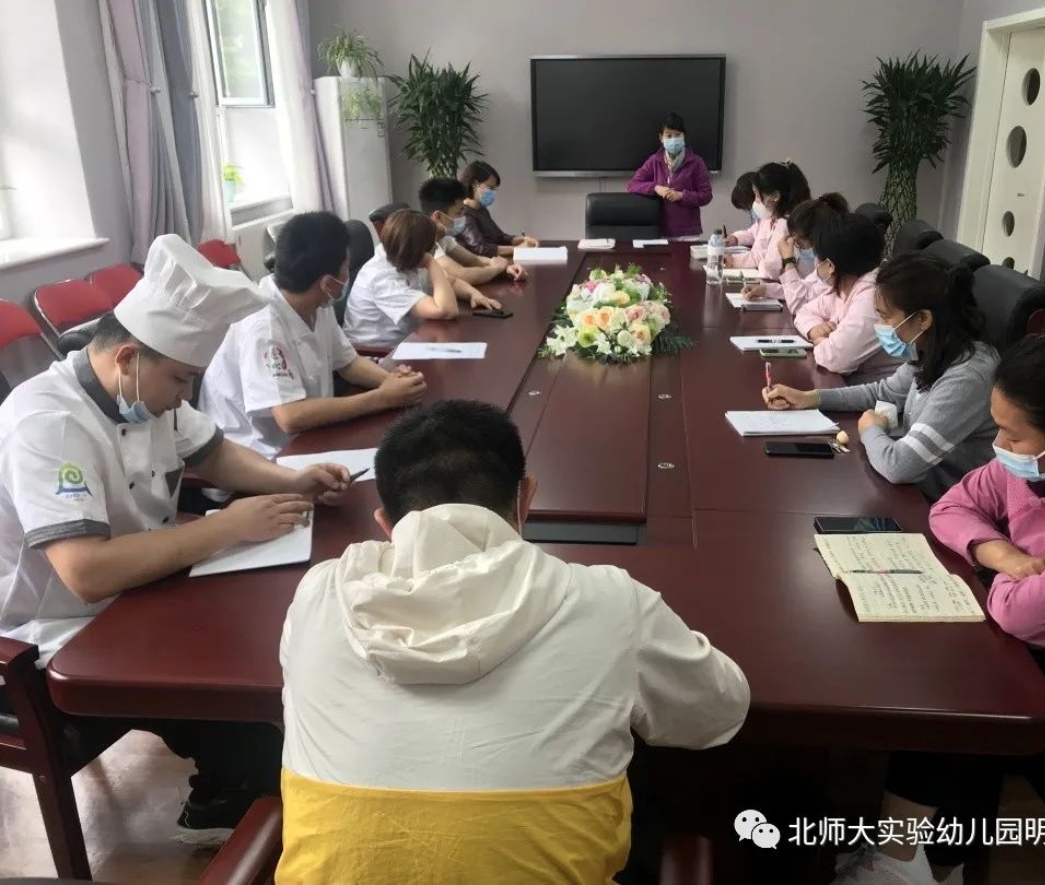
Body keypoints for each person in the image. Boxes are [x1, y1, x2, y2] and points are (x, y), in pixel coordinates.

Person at [277, 399, 750, 883]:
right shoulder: (610, 601)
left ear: (385, 523)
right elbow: (718, 712)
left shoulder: (319, 594)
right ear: (525, 499)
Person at [0, 234, 355, 837]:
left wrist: (293, 479)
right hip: (57, 632)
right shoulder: (47, 424)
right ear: (128, 357)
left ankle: (229, 787)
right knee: (251, 703)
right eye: (182, 380)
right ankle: (226, 804)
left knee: (277, 638)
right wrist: (224, 527)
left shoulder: (143, 393)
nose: (184, 398)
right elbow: (86, 572)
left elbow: (215, 454)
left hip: (143, 589)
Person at [833, 324, 1045, 885]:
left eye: (1010, 436)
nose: (998, 447)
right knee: (959, 666)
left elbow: (1028, 615)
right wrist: (1005, 556)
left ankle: (905, 862)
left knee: (970, 691)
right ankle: (922, 862)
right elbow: (953, 506)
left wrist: (1012, 584)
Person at [763, 253, 998, 501]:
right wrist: (810, 398)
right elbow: (883, 393)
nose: (880, 324)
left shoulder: (967, 377)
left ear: (923, 319)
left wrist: (871, 428)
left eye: (885, 316)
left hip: (939, 503)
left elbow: (899, 467)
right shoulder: (933, 349)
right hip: (914, 491)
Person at [199, 211, 427, 460]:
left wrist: (393, 383)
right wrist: (381, 398)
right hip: (257, 454)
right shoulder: (262, 325)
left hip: (308, 436)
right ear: (328, 283)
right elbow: (290, 417)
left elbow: (348, 363)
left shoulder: (316, 300)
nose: (348, 274)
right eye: (346, 267)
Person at [792, 212, 899, 383]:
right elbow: (804, 312)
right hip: (853, 383)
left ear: (829, 265)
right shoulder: (846, 286)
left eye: (817, 256)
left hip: (879, 391)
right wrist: (814, 329)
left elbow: (833, 359)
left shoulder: (873, 298)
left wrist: (820, 340)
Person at [344, 210, 463, 350]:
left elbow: (449, 282)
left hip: (407, 341)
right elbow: (446, 311)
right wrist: (431, 262)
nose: (436, 247)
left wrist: (473, 295)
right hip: (379, 353)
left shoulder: (401, 255)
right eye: (432, 245)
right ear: (418, 251)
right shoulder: (382, 279)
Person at [743, 193, 849, 315]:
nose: (794, 240)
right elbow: (806, 289)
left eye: (796, 236)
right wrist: (766, 289)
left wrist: (788, 260)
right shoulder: (822, 258)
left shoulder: (833, 264)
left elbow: (797, 304)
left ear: (816, 236)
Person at [419, 177, 526, 291]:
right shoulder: (425, 242)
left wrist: (507, 267)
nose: (463, 217)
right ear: (438, 217)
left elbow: (474, 260)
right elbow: (463, 275)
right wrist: (496, 269)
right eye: (458, 213)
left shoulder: (443, 238)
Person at [626, 111, 713, 239]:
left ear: (684, 136)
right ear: (661, 137)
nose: (673, 139)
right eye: (669, 135)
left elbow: (706, 195)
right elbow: (632, 185)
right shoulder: (654, 161)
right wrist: (656, 188)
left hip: (689, 232)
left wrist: (681, 195)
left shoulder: (696, 162)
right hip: (661, 231)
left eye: (677, 135)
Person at [725, 160, 811, 280]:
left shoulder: (786, 224)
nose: (756, 201)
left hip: (792, 287)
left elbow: (770, 270)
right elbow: (761, 255)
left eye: (757, 195)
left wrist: (760, 262)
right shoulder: (774, 219)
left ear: (775, 196)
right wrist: (733, 260)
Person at [457, 160, 540, 258]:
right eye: (490, 188)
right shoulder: (463, 214)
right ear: (475, 184)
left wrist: (523, 239)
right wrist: (518, 249)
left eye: (494, 189)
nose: (493, 193)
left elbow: (499, 237)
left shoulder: (482, 210)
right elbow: (480, 248)